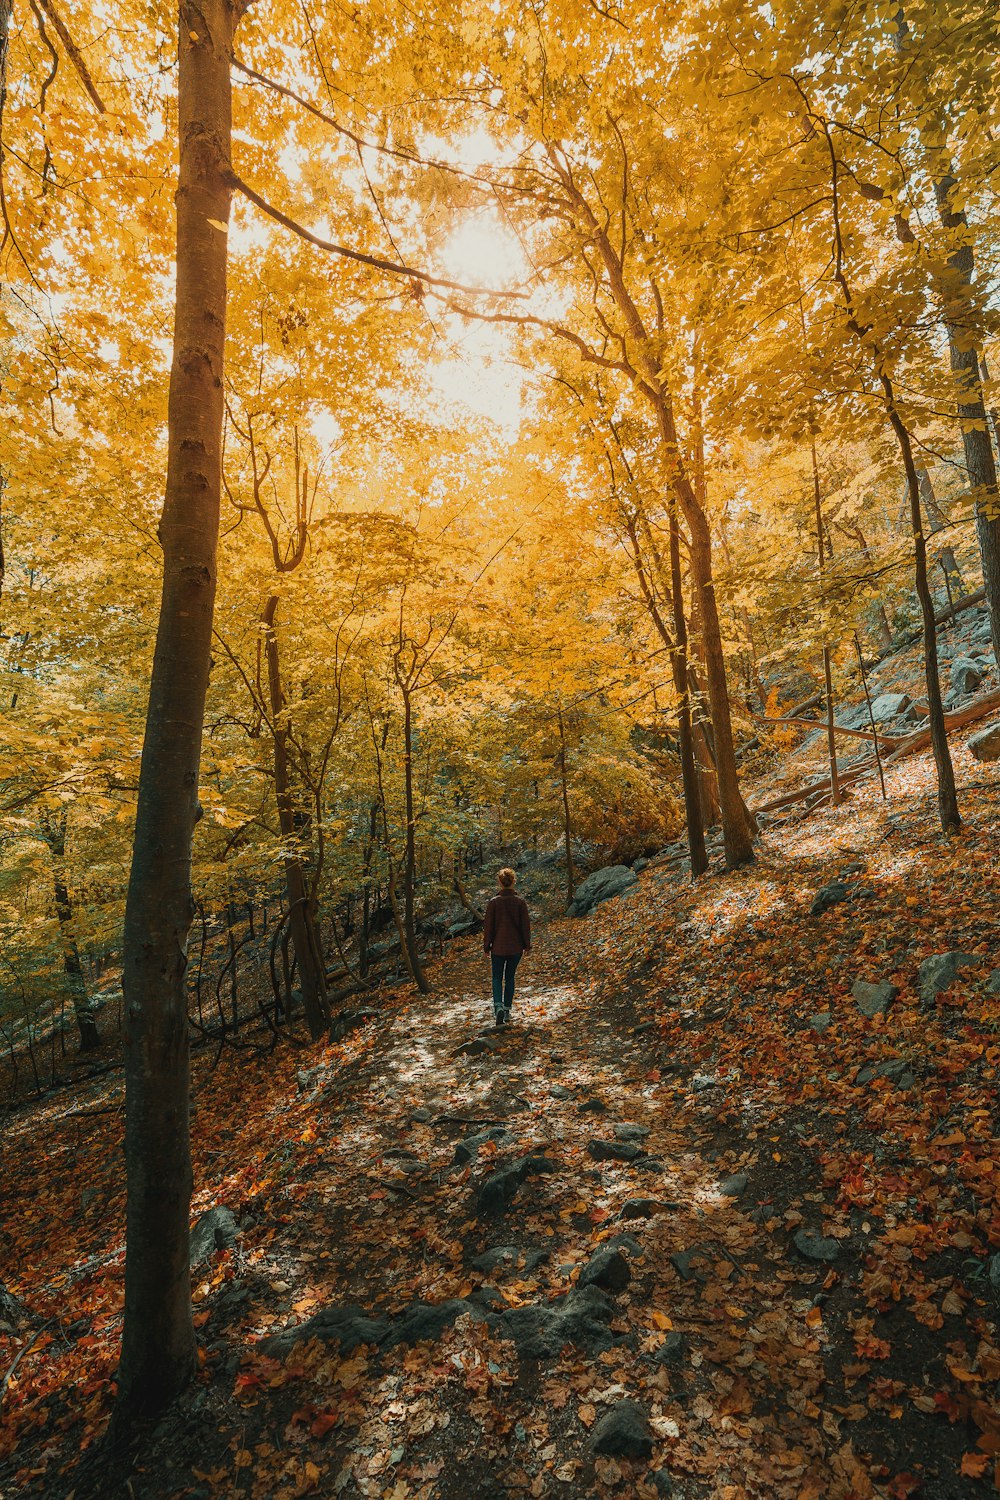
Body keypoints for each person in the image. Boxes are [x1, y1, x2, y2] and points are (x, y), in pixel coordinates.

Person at [483, 867, 531, 1027]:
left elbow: (488, 927)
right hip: (515, 948)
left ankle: (498, 1007)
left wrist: (486, 946)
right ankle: (507, 1009)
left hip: (498, 948)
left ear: (500, 882)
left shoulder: (494, 903)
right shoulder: (520, 903)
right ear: (513, 881)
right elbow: (525, 926)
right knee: (509, 977)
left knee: (497, 977)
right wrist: (527, 945)